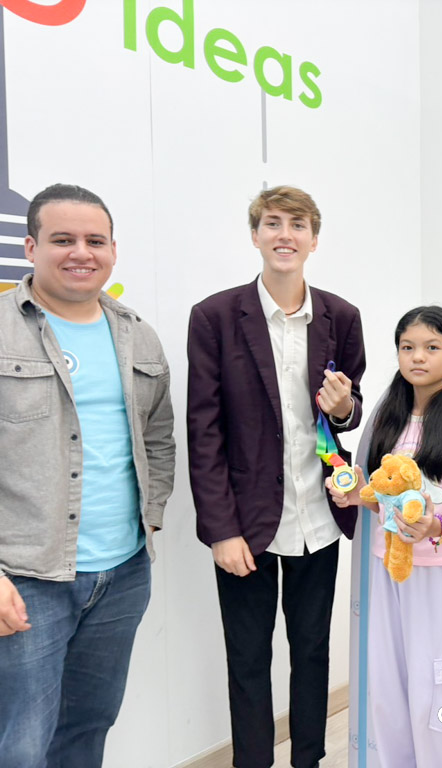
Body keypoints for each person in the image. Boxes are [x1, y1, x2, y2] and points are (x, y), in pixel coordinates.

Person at [187, 185, 365, 768]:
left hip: (319, 513)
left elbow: (350, 409)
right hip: (245, 523)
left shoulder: (342, 316)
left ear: (314, 240)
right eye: (272, 223)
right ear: (255, 235)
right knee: (247, 657)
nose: (284, 234)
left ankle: (308, 760)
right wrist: (220, 529)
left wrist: (345, 407)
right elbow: (204, 430)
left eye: (297, 224)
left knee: (312, 652)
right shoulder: (215, 317)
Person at [0, 183, 175, 767]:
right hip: (26, 580)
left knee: (88, 727)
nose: (81, 252)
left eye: (95, 241)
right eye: (63, 239)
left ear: (113, 251)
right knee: (20, 745)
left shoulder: (137, 334)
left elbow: (158, 437)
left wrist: (150, 518)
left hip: (122, 574)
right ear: (30, 247)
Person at [327, 305, 442, 768]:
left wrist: (438, 526)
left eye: (431, 347)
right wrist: (358, 496)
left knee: (439, 693)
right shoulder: (388, 420)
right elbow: (386, 501)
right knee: (389, 690)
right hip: (389, 569)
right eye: (407, 347)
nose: (418, 357)